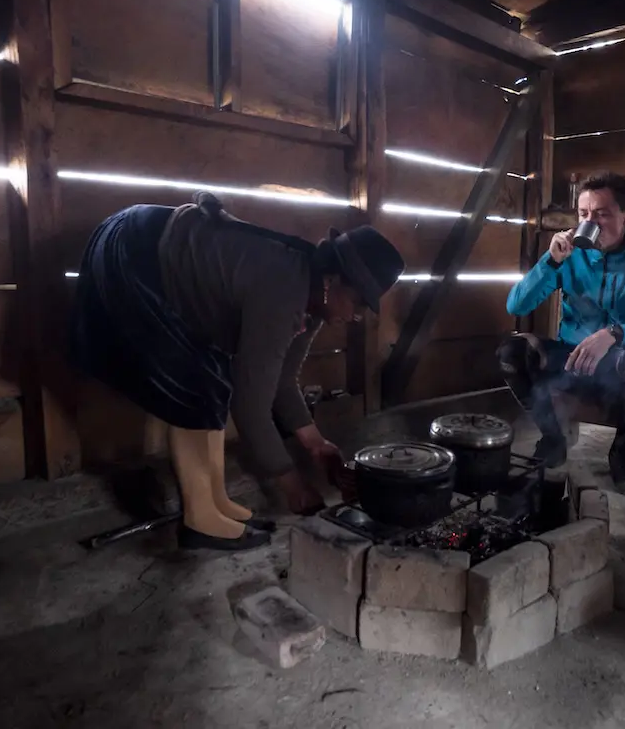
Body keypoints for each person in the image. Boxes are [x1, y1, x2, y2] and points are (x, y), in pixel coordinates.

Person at [70, 192, 405, 551]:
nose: (355, 316)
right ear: (333, 281)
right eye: (357, 302)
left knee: (213, 383)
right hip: (134, 252)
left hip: (164, 258)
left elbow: (281, 381)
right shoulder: (282, 290)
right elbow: (250, 405)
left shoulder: (311, 301)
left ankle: (214, 501)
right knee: (194, 388)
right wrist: (291, 483)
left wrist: (316, 444)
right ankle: (200, 519)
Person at [499, 171, 625, 491]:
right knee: (512, 353)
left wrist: (615, 334)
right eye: (583, 214)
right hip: (571, 357)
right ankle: (553, 439)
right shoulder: (568, 252)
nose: (591, 222)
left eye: (602, 214)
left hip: (618, 364)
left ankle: (622, 452)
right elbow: (517, 306)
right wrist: (550, 262)